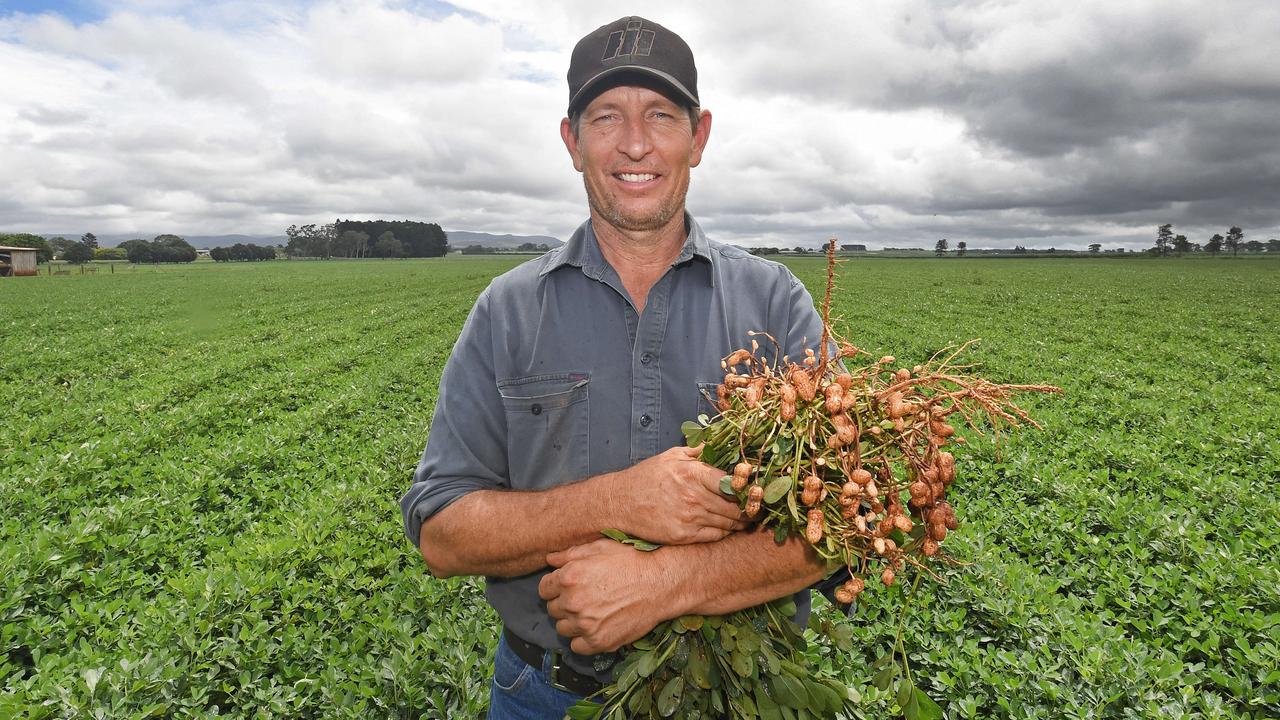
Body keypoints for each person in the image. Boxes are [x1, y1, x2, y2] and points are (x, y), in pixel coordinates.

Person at [401, 16, 834, 719]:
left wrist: (667, 582)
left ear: (700, 136)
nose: (636, 143)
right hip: (543, 693)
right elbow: (442, 531)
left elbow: (844, 521)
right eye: (606, 117)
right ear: (572, 142)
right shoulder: (507, 310)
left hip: (740, 694)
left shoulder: (774, 302)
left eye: (661, 115)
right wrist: (616, 502)